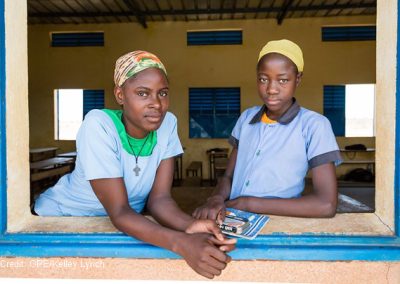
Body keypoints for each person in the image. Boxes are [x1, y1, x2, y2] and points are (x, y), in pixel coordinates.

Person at [34, 50, 236, 279]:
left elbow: (159, 199)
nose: (156, 104)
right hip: (62, 220)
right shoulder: (98, 126)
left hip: (125, 224)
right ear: (120, 95)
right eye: (143, 93)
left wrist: (190, 226)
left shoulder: (168, 124)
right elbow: (120, 211)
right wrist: (183, 243)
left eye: (162, 93)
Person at [193, 39, 342, 223]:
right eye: (263, 79)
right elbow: (229, 176)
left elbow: (326, 205)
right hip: (233, 219)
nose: (271, 89)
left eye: (283, 80)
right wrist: (216, 198)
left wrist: (248, 204)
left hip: (280, 223)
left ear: (298, 79)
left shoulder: (314, 125)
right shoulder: (247, 118)